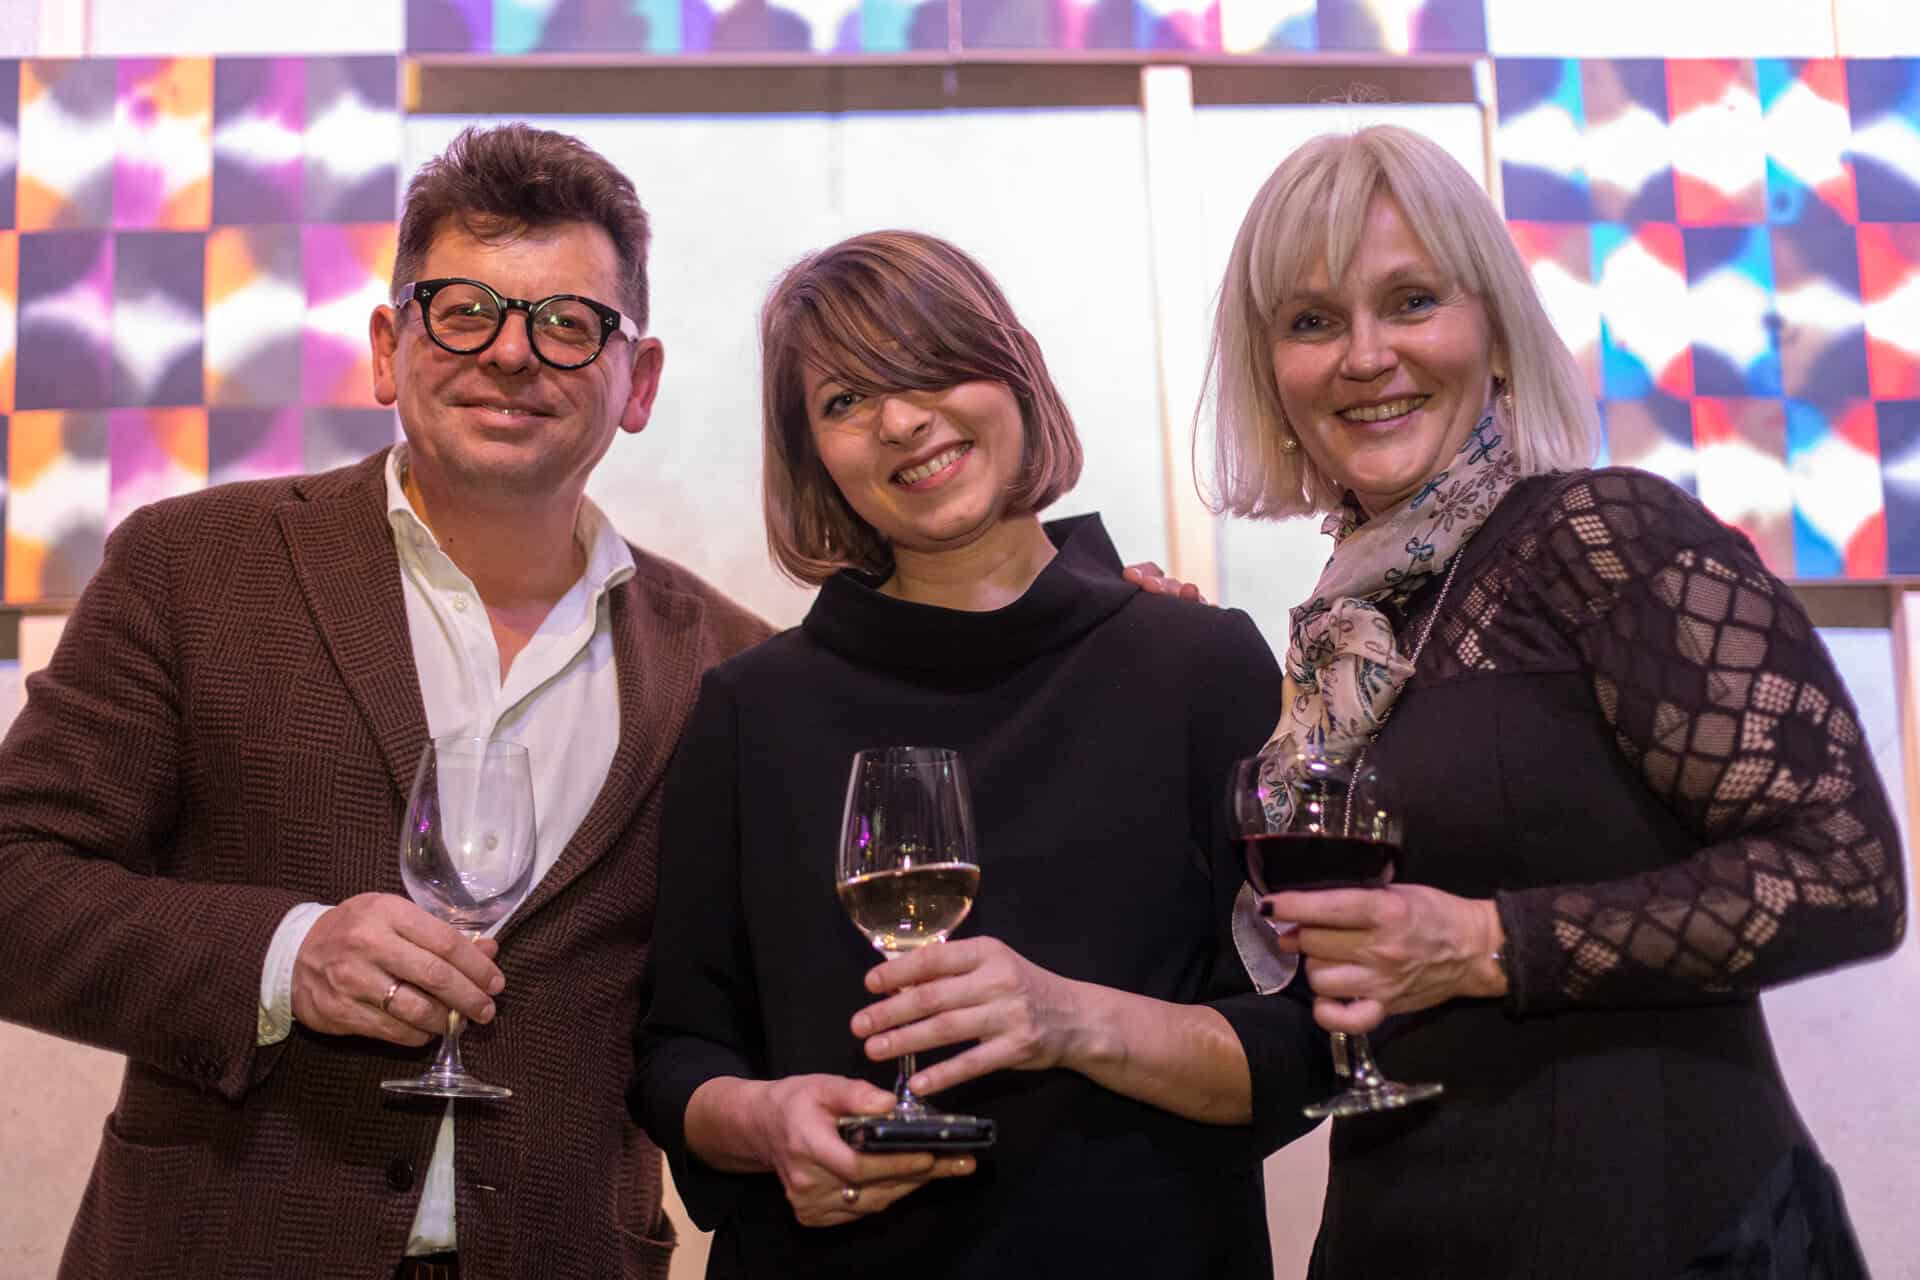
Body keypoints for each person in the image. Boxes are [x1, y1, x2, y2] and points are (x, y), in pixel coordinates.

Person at [0, 124, 769, 1280]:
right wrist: (284, 955)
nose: (510, 353)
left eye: (568, 323)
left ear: (639, 380)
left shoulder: (727, 663)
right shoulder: (192, 566)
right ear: (385, 347)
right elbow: (15, 880)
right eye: (463, 310)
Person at [1183, 124, 1903, 1277]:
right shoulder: (1346, 631)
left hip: (1668, 1231)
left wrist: (1485, 941)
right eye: (1313, 320)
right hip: (1404, 1232)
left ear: (1496, 330)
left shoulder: (1603, 535)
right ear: (1272, 372)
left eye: (1411, 301)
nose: (1366, 355)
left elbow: (1847, 872)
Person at [629, 229, 1331, 1277]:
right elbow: (676, 1053)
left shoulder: (1202, 666)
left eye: (929, 366)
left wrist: (1071, 1020)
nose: (901, 420)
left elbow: (1307, 1043)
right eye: (845, 400)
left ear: (1015, 372)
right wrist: (764, 1122)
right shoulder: (749, 709)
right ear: (812, 456)